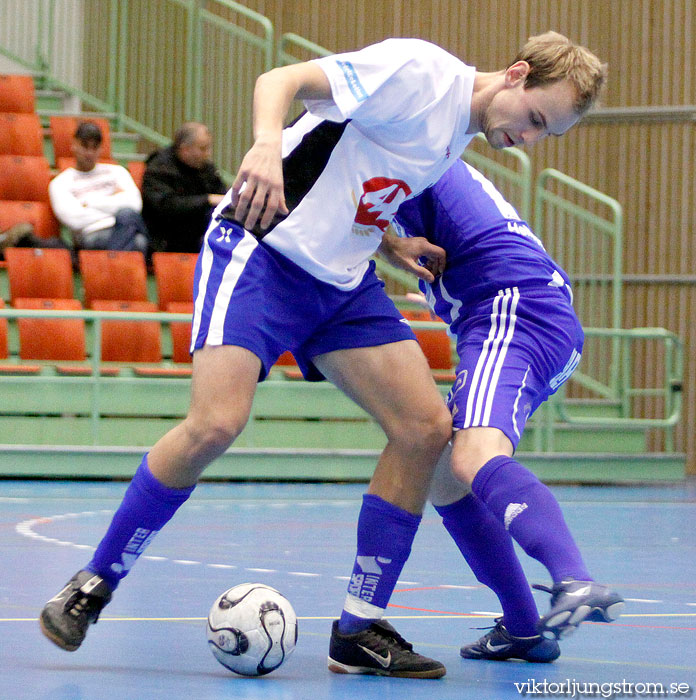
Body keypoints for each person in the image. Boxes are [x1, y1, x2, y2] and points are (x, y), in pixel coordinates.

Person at [39, 32, 607, 678]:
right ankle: (93, 582)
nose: (530, 139)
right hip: (263, 249)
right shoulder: (419, 73)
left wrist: (391, 244)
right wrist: (262, 144)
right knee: (215, 424)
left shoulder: (461, 131)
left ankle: (358, 628)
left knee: (425, 431)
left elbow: (361, 176)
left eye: (546, 135)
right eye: (535, 119)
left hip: (341, 282)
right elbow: (281, 80)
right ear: (516, 74)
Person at [381, 158, 624, 664]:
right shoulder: (414, 163)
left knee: (473, 455)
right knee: (446, 476)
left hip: (512, 313)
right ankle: (522, 627)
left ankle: (573, 579)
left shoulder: (402, 153)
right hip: (516, 312)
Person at [48, 121, 148, 254]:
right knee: (135, 238)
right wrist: (115, 201)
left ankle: (112, 263)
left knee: (129, 219)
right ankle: (116, 262)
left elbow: (134, 205)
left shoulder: (117, 172)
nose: (89, 153)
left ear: (101, 148)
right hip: (92, 234)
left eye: (95, 147)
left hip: (123, 226)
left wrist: (89, 203)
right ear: (74, 145)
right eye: (84, 146)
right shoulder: (61, 182)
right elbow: (75, 220)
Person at [142, 122, 227, 253]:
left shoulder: (205, 168)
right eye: (203, 148)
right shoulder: (159, 167)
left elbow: (222, 195)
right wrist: (207, 200)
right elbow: (165, 205)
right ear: (185, 149)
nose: (208, 154)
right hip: (166, 235)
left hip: (197, 230)